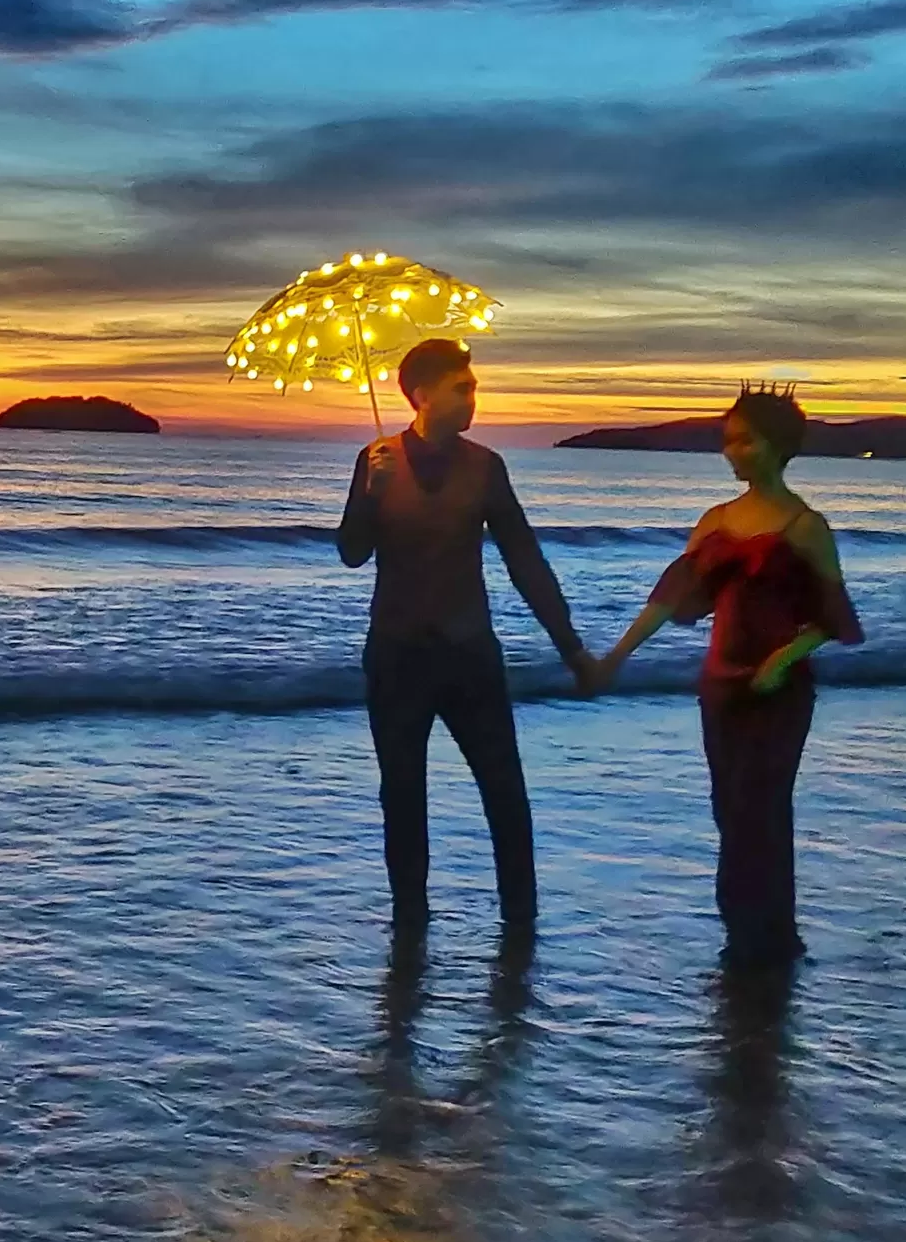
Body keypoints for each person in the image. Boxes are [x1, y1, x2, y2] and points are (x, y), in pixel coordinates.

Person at [595, 383, 864, 968]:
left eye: (742, 440)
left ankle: (770, 936)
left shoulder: (805, 525)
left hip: (779, 691)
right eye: (727, 440)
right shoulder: (716, 521)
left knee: (761, 806)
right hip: (720, 685)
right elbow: (671, 599)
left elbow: (834, 618)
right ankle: (742, 929)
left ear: (774, 446)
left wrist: (783, 658)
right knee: (727, 806)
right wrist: (616, 656)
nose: (730, 451)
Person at [337, 337, 596, 933]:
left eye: (474, 386)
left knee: (505, 790)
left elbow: (524, 559)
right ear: (422, 394)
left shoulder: (485, 466)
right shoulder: (376, 460)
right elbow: (352, 553)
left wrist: (571, 647)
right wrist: (371, 497)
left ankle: (521, 924)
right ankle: (410, 925)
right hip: (398, 656)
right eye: (463, 386)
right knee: (402, 795)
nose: (473, 396)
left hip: (469, 653)